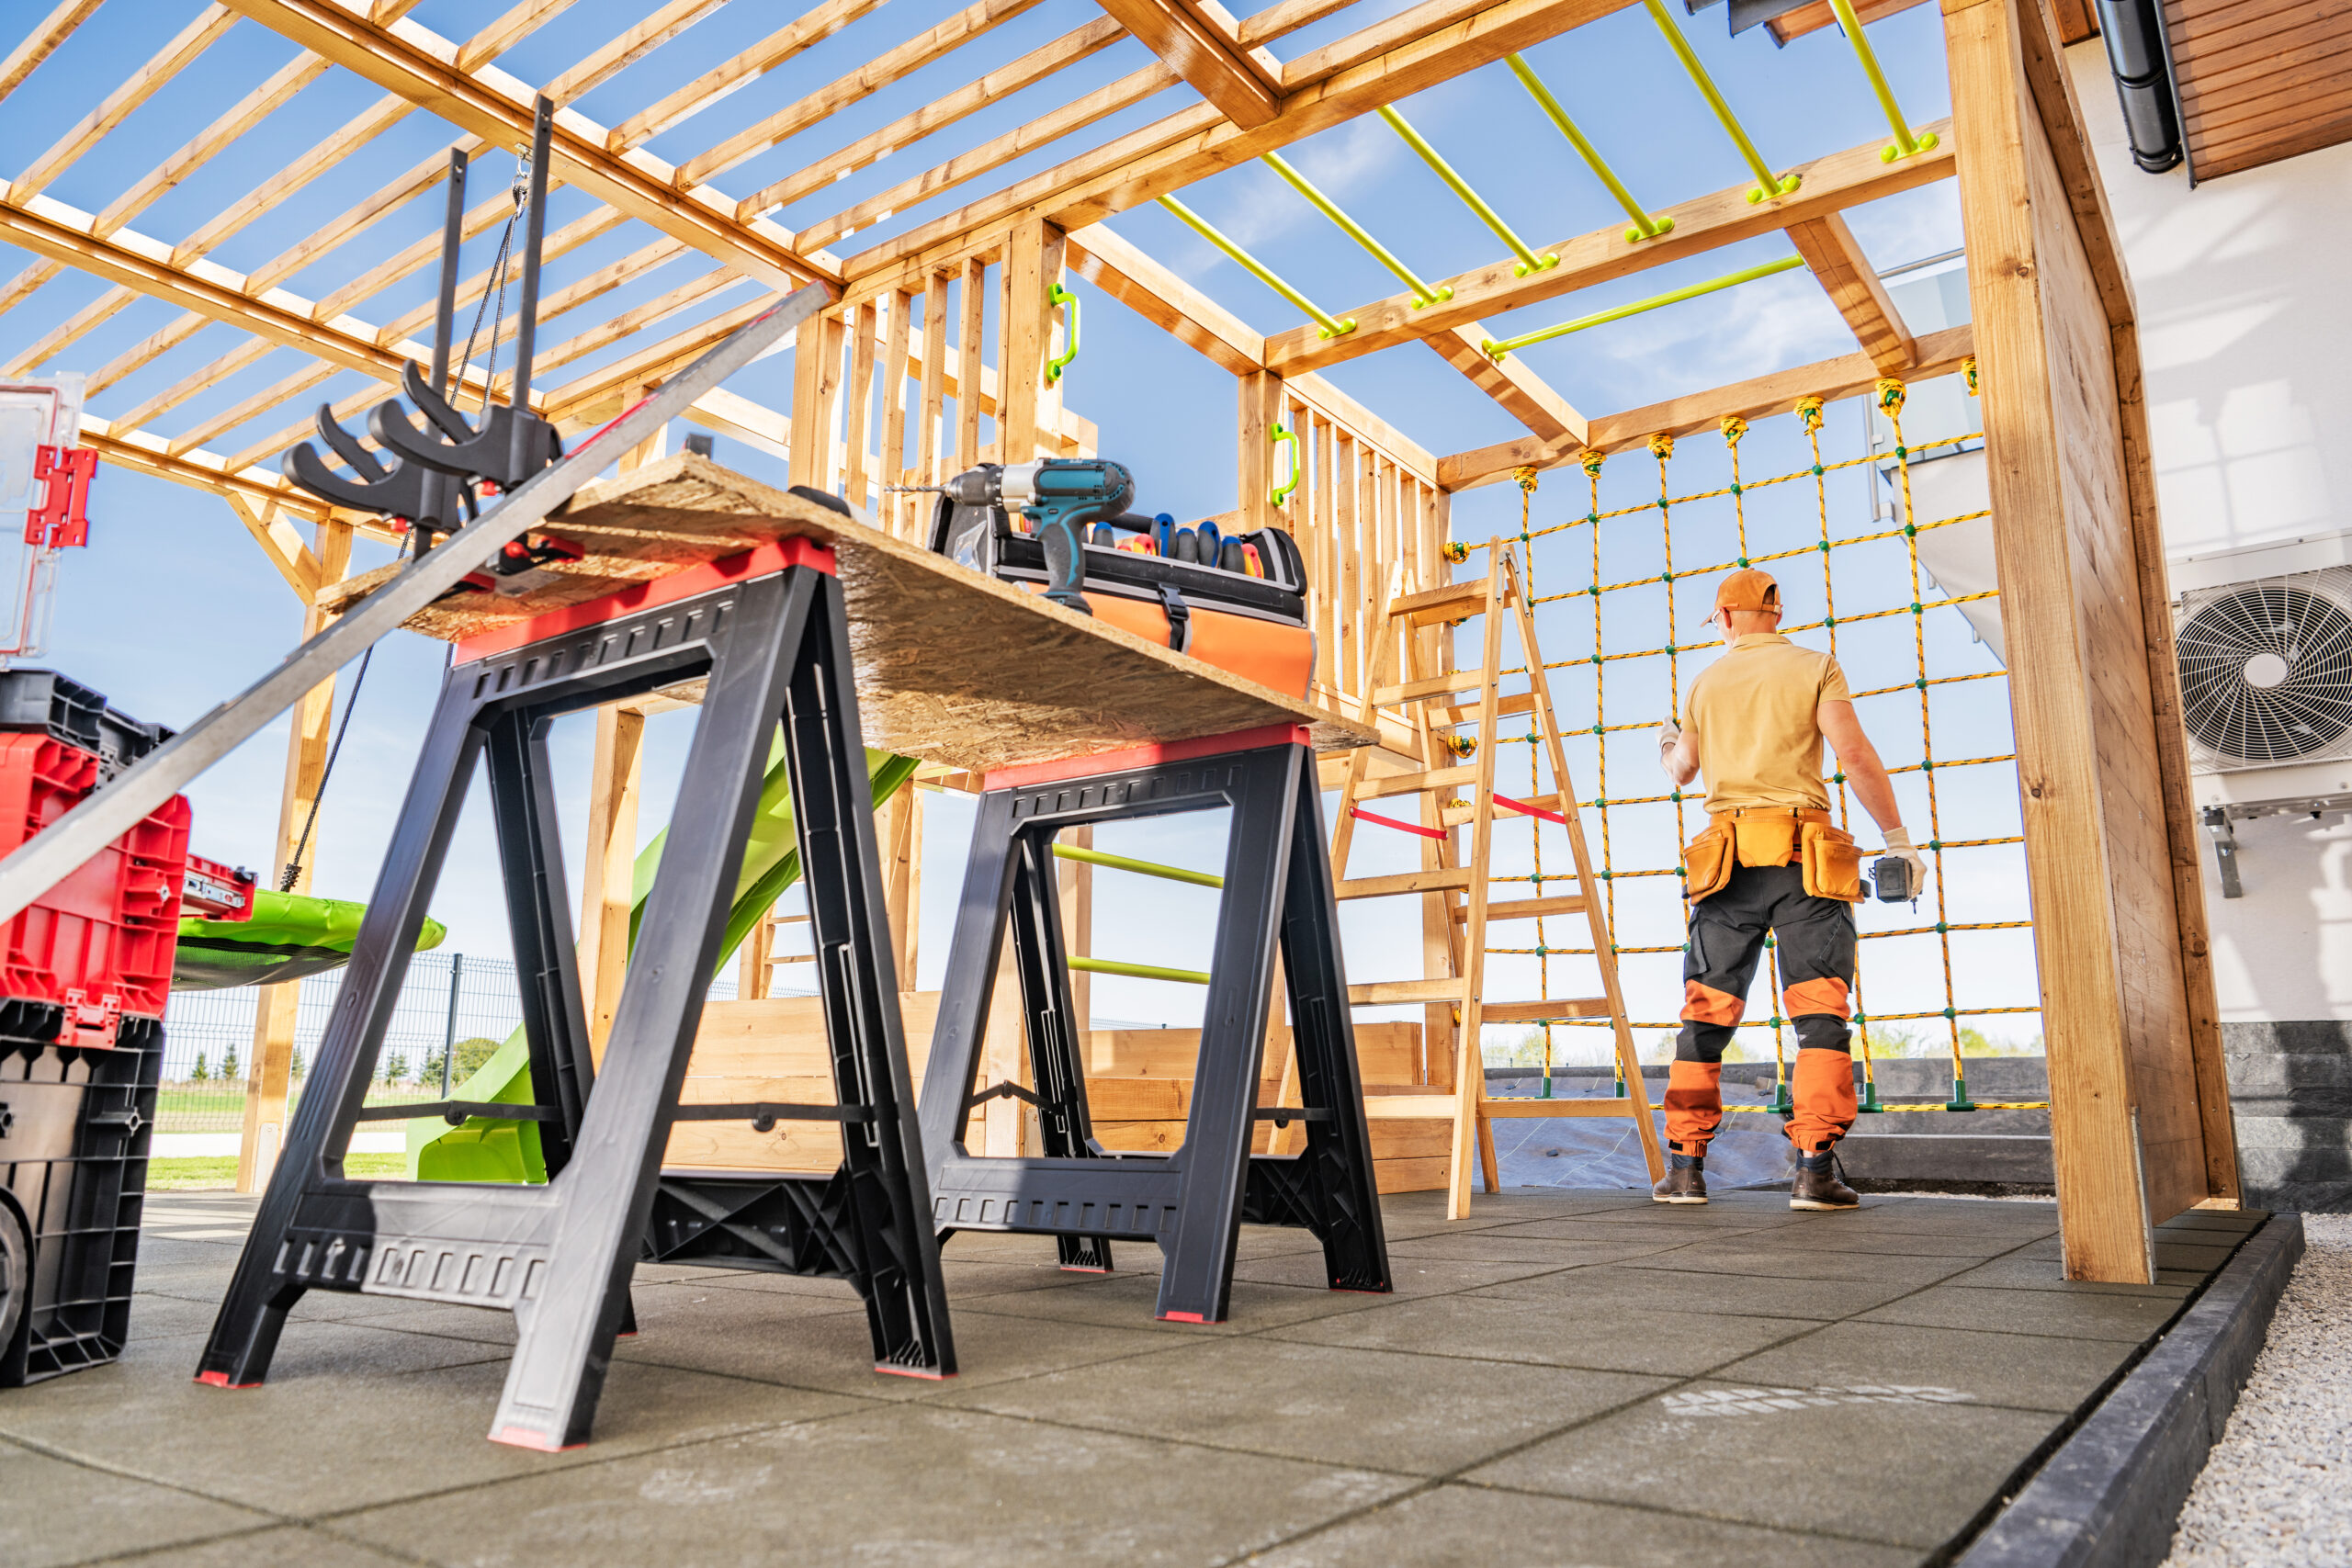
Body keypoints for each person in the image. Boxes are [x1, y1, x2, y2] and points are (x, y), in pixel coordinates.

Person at [1651, 569, 1928, 1211]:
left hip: (1726, 868)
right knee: (1819, 1015)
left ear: (1723, 618)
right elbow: (1854, 754)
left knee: (1704, 1016)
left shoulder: (1703, 683)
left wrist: (1668, 739)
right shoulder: (1816, 665)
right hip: (1806, 862)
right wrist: (1898, 839)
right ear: (1775, 610)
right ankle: (1814, 1170)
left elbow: (1682, 769)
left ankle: (1686, 1169)